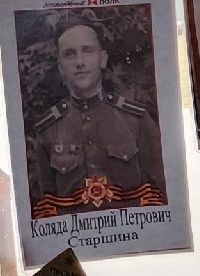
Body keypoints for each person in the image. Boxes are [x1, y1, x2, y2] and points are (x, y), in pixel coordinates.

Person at [25, 20, 166, 213]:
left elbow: (159, 194)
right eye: (70, 54)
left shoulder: (135, 120)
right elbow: (48, 206)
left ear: (103, 59)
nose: (79, 62)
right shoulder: (48, 130)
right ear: (60, 67)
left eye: (88, 51)